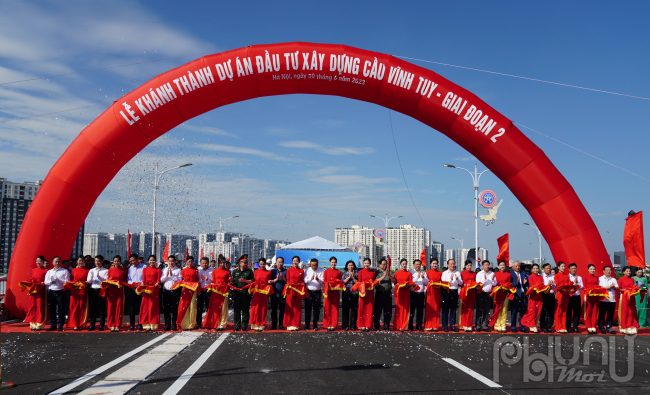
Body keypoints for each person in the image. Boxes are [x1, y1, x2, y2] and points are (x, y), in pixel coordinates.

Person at [19, 255, 50, 331]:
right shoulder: (33, 270)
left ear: (43, 262)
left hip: (41, 290)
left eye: (40, 261)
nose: (38, 262)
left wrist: (43, 283)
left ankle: (39, 325)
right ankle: (33, 325)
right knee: (32, 306)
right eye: (37, 261)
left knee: (40, 306)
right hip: (33, 291)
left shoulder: (47, 271)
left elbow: (47, 281)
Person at [202, 258, 231, 330]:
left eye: (223, 263)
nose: (222, 264)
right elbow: (213, 281)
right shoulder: (214, 271)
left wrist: (231, 280)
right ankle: (217, 323)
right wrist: (207, 280)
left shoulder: (228, 271)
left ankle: (222, 324)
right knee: (216, 307)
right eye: (221, 263)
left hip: (224, 291)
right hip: (216, 291)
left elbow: (229, 282)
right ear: (218, 263)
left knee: (224, 307)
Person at [44, 256, 70, 331]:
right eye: (55, 261)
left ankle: (60, 325)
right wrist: (51, 281)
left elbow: (66, 282)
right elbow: (46, 282)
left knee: (61, 309)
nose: (57, 263)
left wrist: (58, 280)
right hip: (52, 291)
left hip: (60, 291)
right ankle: (53, 325)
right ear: (52, 262)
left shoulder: (64, 271)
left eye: (58, 261)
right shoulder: (49, 272)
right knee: (52, 309)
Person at [520, 264, 548, 332]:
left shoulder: (541, 277)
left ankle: (535, 325)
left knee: (538, 310)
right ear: (532, 270)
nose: (536, 270)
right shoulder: (531, 277)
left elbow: (542, 285)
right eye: (534, 268)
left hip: (539, 295)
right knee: (532, 310)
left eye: (537, 268)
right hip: (533, 295)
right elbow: (532, 286)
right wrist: (538, 287)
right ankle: (531, 326)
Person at [65, 255, 90, 331]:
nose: (80, 262)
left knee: (81, 307)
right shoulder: (73, 270)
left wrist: (84, 283)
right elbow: (71, 279)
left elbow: (88, 281)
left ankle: (81, 324)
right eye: (79, 261)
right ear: (77, 262)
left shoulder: (87, 270)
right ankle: (75, 324)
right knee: (74, 307)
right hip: (74, 291)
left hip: (82, 290)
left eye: (82, 261)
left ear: (84, 262)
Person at [103, 255, 127, 332]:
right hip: (111, 290)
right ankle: (111, 325)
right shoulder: (110, 270)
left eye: (118, 261)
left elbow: (125, 281)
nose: (116, 262)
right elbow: (108, 279)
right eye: (115, 261)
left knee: (119, 308)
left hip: (119, 290)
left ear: (120, 262)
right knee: (111, 308)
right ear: (113, 262)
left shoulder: (123, 270)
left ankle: (118, 325)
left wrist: (119, 282)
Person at [138, 255, 161, 331]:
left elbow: (158, 280)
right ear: (148, 261)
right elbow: (143, 280)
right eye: (150, 260)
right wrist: (142, 283)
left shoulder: (158, 270)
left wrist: (157, 283)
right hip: (146, 290)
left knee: (153, 307)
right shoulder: (145, 269)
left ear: (155, 261)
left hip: (154, 290)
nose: (152, 262)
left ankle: (153, 324)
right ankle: (146, 324)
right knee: (146, 307)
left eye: (153, 260)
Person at [283, 256, 307, 331]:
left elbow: (302, 281)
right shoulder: (289, 270)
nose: (295, 262)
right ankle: (288, 324)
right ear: (292, 262)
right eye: (294, 261)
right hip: (290, 291)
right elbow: (287, 281)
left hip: (298, 291)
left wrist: (302, 286)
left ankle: (296, 324)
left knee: (297, 308)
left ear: (299, 262)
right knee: (289, 307)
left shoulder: (301, 271)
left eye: (296, 261)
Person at [489, 260, 513, 333]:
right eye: (501, 265)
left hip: (505, 294)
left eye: (503, 265)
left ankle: (503, 325)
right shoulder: (495, 274)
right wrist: (493, 279)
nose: (502, 266)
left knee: (505, 309)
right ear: (498, 266)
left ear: (505, 266)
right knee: (497, 309)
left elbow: (509, 284)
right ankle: (497, 325)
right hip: (497, 293)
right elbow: (494, 284)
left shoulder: (508, 275)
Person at [249, 257, 273, 331]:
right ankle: (255, 324)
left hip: (264, 292)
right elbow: (253, 281)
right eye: (261, 264)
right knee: (255, 308)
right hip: (257, 292)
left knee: (263, 308)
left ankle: (262, 324)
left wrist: (272, 281)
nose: (262, 265)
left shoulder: (269, 272)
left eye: (263, 264)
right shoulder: (256, 272)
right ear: (259, 264)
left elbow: (269, 281)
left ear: (265, 264)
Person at [175, 256, 199, 330]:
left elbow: (197, 281)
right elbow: (181, 279)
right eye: (189, 262)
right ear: (186, 262)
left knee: (192, 307)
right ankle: (184, 324)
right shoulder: (183, 270)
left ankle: (191, 324)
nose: (190, 263)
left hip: (193, 290)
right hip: (185, 290)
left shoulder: (196, 270)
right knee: (184, 306)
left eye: (192, 262)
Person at [231, 255, 254, 331]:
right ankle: (237, 325)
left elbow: (252, 281)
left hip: (246, 293)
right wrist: (231, 280)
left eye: (246, 262)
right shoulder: (235, 271)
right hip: (237, 293)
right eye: (244, 262)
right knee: (237, 309)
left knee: (245, 309)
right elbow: (233, 281)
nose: (246, 264)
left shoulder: (249, 271)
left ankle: (244, 325)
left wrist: (245, 281)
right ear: (240, 263)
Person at [618, 266, 643, 335]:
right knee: (624, 312)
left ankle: (629, 326)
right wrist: (621, 290)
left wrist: (637, 288)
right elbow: (617, 287)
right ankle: (623, 327)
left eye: (629, 271)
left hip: (631, 297)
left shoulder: (632, 279)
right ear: (623, 272)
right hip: (624, 296)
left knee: (631, 312)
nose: (628, 272)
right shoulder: (621, 279)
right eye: (627, 271)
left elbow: (634, 287)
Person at [354, 258, 377, 331]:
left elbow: (373, 282)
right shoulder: (360, 272)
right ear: (363, 264)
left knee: (369, 308)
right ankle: (362, 325)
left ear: (370, 264)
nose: (366, 264)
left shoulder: (373, 272)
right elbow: (359, 283)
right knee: (362, 308)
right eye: (365, 263)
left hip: (370, 293)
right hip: (363, 293)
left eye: (368, 263)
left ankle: (368, 325)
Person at [87, 254, 108, 331]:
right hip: (93, 290)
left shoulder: (106, 271)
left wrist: (100, 278)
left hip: (101, 290)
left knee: (101, 308)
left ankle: (101, 325)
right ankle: (92, 325)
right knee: (93, 308)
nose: (97, 262)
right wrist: (87, 281)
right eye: (96, 261)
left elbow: (106, 281)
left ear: (102, 262)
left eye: (99, 261)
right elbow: (89, 280)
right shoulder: (91, 270)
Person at [373, 258, 395, 331]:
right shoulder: (376, 272)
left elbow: (394, 281)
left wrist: (389, 275)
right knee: (377, 310)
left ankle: (386, 325)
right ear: (380, 264)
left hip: (387, 294)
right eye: (384, 264)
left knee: (388, 310)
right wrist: (383, 276)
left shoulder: (389, 272)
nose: (385, 265)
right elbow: (374, 281)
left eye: (386, 264)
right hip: (379, 293)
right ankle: (376, 325)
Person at [161, 255, 182, 331]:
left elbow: (179, 281)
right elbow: (161, 280)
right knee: (166, 309)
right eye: (169, 261)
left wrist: (172, 276)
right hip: (166, 292)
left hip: (175, 292)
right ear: (167, 261)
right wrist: (166, 275)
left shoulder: (178, 270)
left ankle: (174, 324)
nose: (171, 263)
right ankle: (167, 324)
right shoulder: (164, 270)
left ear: (175, 262)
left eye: (172, 261)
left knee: (174, 309)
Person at [441, 259, 463, 332]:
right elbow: (443, 282)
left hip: (454, 292)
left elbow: (461, 283)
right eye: (451, 264)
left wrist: (457, 279)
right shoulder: (444, 273)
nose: (452, 265)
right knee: (445, 309)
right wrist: (450, 280)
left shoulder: (457, 273)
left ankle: (452, 325)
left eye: (453, 264)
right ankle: (445, 326)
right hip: (447, 291)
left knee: (453, 309)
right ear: (447, 265)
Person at [323, 257, 345, 331]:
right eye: (332, 262)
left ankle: (333, 324)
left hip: (335, 292)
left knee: (335, 308)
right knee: (327, 307)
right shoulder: (326, 271)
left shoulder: (338, 272)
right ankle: (327, 324)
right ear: (329, 262)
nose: (333, 264)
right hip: (328, 292)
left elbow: (339, 281)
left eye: (335, 262)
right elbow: (324, 282)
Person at [394, 259, 415, 331]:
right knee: (399, 309)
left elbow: (411, 282)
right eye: (403, 264)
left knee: (405, 309)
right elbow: (395, 282)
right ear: (400, 264)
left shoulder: (409, 273)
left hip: (406, 293)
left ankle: (404, 325)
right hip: (399, 293)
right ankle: (398, 325)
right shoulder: (396, 273)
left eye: (405, 264)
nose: (404, 265)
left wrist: (407, 285)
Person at [458, 260, 480, 332]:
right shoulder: (462, 274)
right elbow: (460, 284)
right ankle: (463, 324)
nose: (469, 267)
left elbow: (476, 283)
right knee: (464, 309)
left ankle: (469, 325)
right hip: (464, 292)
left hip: (472, 292)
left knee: (470, 309)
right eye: (468, 265)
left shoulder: (474, 274)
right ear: (465, 266)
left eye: (470, 265)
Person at [553, 262, 574, 333]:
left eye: (564, 266)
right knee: (559, 310)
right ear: (558, 267)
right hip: (559, 294)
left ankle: (563, 326)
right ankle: (558, 326)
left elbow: (569, 284)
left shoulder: (567, 276)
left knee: (564, 311)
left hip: (566, 294)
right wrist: (564, 286)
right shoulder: (556, 275)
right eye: (562, 266)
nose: (563, 268)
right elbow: (557, 285)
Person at [583, 264, 604, 334]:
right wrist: (589, 291)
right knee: (588, 311)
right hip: (589, 296)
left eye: (593, 269)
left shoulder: (596, 278)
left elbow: (598, 286)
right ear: (588, 270)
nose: (592, 270)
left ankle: (593, 326)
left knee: (595, 311)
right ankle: (588, 326)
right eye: (591, 269)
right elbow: (584, 287)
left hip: (595, 296)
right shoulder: (585, 277)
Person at [304, 258, 325, 330]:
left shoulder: (321, 271)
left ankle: (315, 325)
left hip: (317, 292)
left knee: (316, 310)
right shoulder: (307, 270)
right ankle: (307, 325)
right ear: (310, 265)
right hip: (308, 292)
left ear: (317, 265)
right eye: (312, 265)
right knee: (307, 309)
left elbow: (323, 282)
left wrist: (317, 280)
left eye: (315, 265)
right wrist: (310, 279)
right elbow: (304, 280)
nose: (314, 267)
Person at [424, 258, 445, 331]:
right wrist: (424, 277)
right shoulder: (427, 272)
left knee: (436, 308)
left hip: (437, 292)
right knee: (429, 309)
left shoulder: (440, 273)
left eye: (436, 263)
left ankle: (435, 325)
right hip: (430, 292)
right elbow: (426, 282)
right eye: (433, 263)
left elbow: (442, 282)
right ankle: (428, 325)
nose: (435, 265)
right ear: (430, 264)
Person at [474, 260, 495, 331]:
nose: (487, 266)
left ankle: (485, 325)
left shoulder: (492, 273)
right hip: (481, 293)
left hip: (489, 294)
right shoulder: (479, 274)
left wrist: (492, 280)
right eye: (485, 265)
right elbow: (477, 284)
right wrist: (484, 279)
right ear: (482, 266)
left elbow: (495, 284)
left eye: (488, 265)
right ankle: (478, 325)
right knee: (479, 310)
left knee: (487, 310)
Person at [126, 253, 145, 331]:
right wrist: (132, 284)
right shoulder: (130, 268)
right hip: (133, 288)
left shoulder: (144, 267)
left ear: (137, 259)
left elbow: (145, 278)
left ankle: (140, 324)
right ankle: (132, 325)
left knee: (141, 307)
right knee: (132, 308)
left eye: (133, 260)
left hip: (141, 289)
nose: (132, 262)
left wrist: (140, 284)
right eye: (131, 261)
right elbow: (128, 279)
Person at [509, 261, 529, 333]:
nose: (518, 267)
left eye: (519, 266)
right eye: (516, 266)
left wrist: (526, 282)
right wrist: (516, 283)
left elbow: (528, 282)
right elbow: (509, 284)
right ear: (513, 267)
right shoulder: (510, 274)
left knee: (523, 312)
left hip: (523, 294)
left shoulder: (523, 273)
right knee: (514, 312)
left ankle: (522, 327)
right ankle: (513, 327)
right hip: (515, 295)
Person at [598, 265, 618, 334]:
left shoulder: (613, 279)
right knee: (602, 314)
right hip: (603, 299)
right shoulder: (600, 279)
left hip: (612, 300)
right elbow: (599, 288)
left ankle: (609, 327)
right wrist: (609, 287)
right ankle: (601, 327)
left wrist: (613, 287)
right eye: (606, 270)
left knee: (610, 314)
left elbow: (617, 288)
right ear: (603, 271)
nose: (608, 271)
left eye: (609, 270)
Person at [409, 259, 428, 331]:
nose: (418, 266)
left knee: (420, 310)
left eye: (419, 264)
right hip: (413, 294)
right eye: (416, 264)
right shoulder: (411, 273)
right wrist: (417, 277)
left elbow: (426, 283)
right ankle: (410, 325)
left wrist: (423, 277)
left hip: (421, 294)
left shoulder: (423, 273)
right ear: (414, 265)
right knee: (412, 310)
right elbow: (411, 282)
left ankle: (419, 325)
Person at [270, 257, 287, 330]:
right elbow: (269, 281)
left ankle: (281, 325)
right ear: (276, 263)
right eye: (279, 262)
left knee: (282, 310)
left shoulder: (286, 271)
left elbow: (288, 281)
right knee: (273, 310)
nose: (280, 264)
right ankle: (274, 325)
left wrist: (283, 278)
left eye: (281, 262)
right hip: (274, 293)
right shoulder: (272, 271)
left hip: (283, 294)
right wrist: (275, 280)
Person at [566, 263, 584, 333]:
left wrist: (577, 285)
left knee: (577, 312)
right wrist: (574, 283)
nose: (574, 270)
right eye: (572, 268)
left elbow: (582, 287)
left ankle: (575, 327)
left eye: (575, 268)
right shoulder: (567, 277)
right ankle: (568, 327)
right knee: (568, 312)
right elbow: (567, 286)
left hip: (577, 296)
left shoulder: (579, 277)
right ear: (569, 269)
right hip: (569, 296)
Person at [341, 260, 358, 331]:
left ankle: (353, 325)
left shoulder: (357, 273)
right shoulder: (344, 273)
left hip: (354, 293)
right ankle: (345, 325)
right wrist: (348, 277)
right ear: (347, 266)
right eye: (349, 265)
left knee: (354, 309)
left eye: (352, 265)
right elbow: (342, 282)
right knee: (345, 309)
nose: (351, 267)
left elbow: (358, 283)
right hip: (346, 293)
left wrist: (353, 277)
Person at [196, 257, 213, 329]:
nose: (205, 264)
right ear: (200, 263)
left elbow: (214, 280)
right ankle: (199, 323)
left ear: (208, 263)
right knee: (199, 307)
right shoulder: (198, 270)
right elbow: (196, 281)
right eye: (203, 263)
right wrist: (202, 280)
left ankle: (208, 323)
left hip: (209, 290)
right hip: (201, 290)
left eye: (206, 263)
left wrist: (208, 279)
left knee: (208, 307)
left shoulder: (212, 270)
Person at [540, 263, 556, 333]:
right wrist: (547, 286)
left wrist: (553, 285)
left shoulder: (553, 276)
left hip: (551, 294)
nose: (549, 270)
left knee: (551, 311)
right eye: (547, 268)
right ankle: (543, 326)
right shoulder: (541, 276)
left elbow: (556, 286)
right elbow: (541, 287)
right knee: (543, 311)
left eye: (549, 268)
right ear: (543, 269)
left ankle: (549, 326)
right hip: (544, 295)